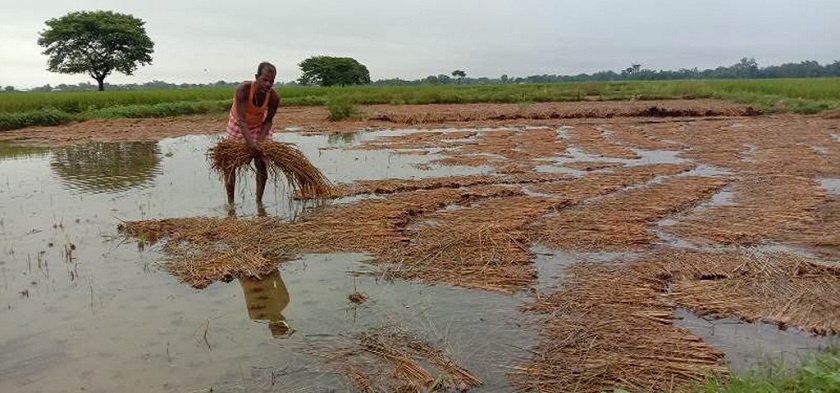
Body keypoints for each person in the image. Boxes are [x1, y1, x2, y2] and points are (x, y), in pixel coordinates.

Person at [225, 62, 281, 205]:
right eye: (265, 80)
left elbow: (268, 121)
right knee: (229, 164)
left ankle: (259, 202)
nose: (268, 84)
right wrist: (251, 145)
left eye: (271, 81)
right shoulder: (243, 89)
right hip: (239, 123)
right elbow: (241, 120)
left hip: (258, 124)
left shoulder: (273, 97)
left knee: (262, 162)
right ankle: (231, 203)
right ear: (256, 77)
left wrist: (259, 144)